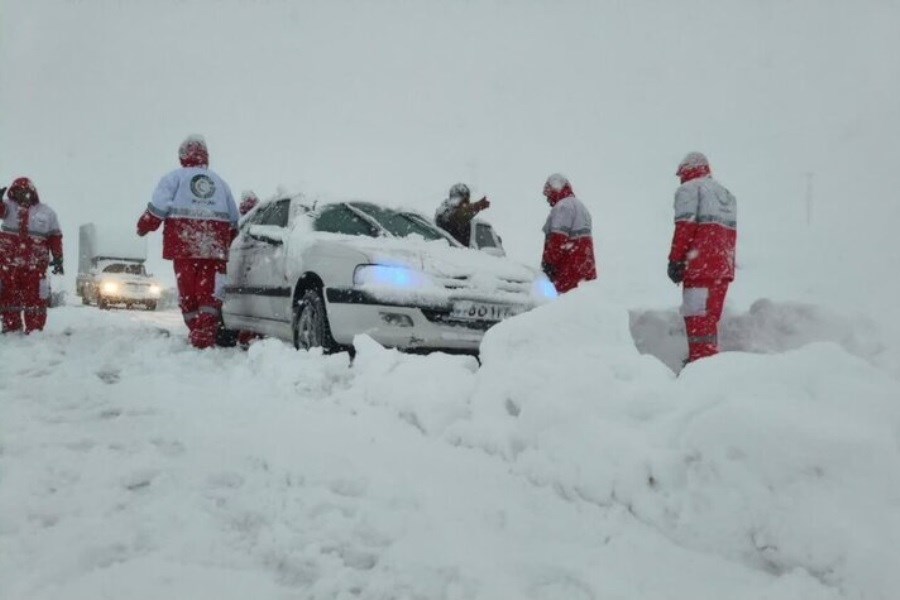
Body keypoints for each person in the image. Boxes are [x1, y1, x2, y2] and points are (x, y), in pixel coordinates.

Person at [136, 135, 239, 349]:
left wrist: (143, 226)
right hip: (213, 249)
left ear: (183, 156)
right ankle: (205, 333)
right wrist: (229, 243)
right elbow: (233, 221)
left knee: (189, 293)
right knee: (210, 294)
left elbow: (157, 209)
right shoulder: (220, 183)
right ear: (205, 156)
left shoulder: (174, 179)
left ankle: (196, 332)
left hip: (184, 246)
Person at [667, 151, 737, 364]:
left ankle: (700, 367)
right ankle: (707, 363)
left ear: (687, 171)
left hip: (699, 268)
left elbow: (684, 227)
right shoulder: (726, 195)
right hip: (722, 270)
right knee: (710, 320)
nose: (680, 180)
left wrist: (676, 260)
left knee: (697, 320)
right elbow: (730, 236)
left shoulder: (689, 190)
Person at [0, 177, 63, 333]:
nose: (23, 195)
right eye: (19, 192)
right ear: (13, 193)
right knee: (9, 297)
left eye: (26, 192)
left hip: (35, 267)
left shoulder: (47, 213)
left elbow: (55, 237)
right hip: (9, 266)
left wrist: (58, 257)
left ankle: (35, 330)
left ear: (33, 193)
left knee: (36, 300)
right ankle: (11, 328)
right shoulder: (7, 207)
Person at [541, 173, 596, 293]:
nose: (548, 200)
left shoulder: (563, 207)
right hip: (585, 272)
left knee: (565, 309)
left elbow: (558, 240)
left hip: (568, 274)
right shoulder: (581, 207)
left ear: (554, 189)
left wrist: (548, 264)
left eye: (548, 195)